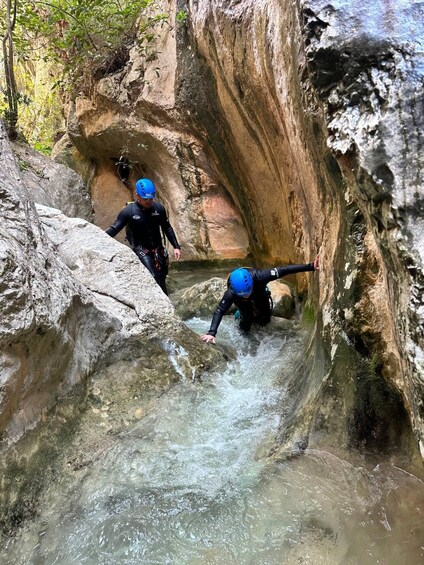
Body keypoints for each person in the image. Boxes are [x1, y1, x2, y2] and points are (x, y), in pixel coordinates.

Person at [201, 255, 319, 343]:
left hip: (259, 292)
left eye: (247, 293)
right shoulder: (231, 292)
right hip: (240, 301)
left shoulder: (260, 276)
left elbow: (285, 270)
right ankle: (240, 315)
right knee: (245, 324)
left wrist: (311, 266)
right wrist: (212, 333)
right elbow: (220, 310)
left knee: (265, 319)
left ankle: (257, 313)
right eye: (244, 294)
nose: (247, 296)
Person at [105, 178, 181, 295]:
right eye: (146, 199)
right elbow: (114, 229)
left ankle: (167, 304)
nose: (149, 202)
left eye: (151, 198)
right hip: (142, 250)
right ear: (137, 196)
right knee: (153, 276)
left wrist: (176, 246)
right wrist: (99, 238)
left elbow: (167, 228)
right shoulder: (129, 211)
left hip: (158, 249)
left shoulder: (159, 209)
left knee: (161, 277)